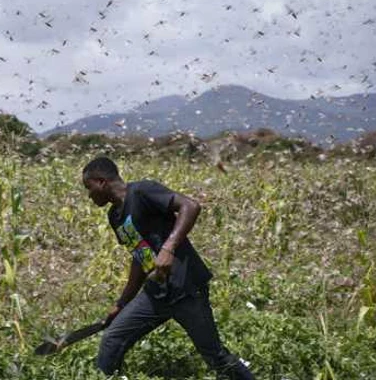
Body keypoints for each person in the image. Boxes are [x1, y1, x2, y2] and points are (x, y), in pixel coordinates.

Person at [81, 156, 255, 380]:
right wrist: (122, 303)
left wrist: (169, 247)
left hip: (186, 289)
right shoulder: (115, 216)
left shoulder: (142, 192)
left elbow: (190, 206)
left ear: (101, 181)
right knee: (113, 338)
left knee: (215, 357)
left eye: (89, 188)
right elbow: (140, 257)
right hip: (156, 294)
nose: (89, 195)